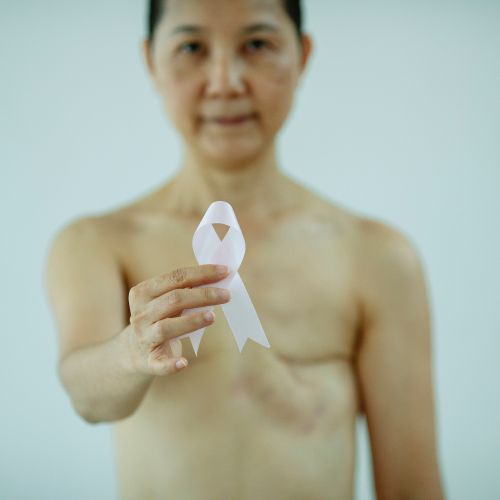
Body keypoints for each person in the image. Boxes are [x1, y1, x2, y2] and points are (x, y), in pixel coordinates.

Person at [44, 0, 445, 498]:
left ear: (302, 55)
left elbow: (411, 488)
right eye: (192, 47)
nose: (225, 82)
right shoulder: (96, 243)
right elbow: (88, 398)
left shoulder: (376, 258)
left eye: (257, 44)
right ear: (151, 62)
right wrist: (130, 351)